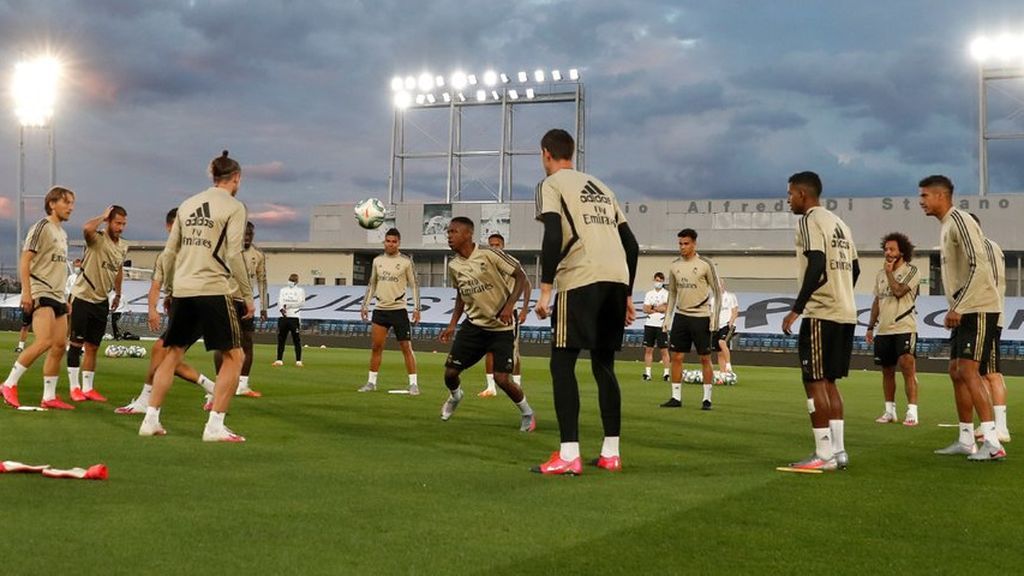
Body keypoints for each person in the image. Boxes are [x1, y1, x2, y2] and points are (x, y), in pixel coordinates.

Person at [531, 128, 639, 475]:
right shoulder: (602, 187)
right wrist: (627, 294)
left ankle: (568, 455)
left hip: (579, 277)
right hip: (616, 278)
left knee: (562, 364)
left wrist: (545, 288)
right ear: (572, 153)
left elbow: (551, 233)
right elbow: (632, 245)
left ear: (546, 153)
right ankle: (611, 452)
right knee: (603, 366)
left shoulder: (551, 185)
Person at [139, 150, 254, 442]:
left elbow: (169, 252)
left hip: (183, 290)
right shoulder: (235, 206)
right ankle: (215, 425)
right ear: (236, 178)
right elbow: (234, 254)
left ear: (213, 176)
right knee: (234, 356)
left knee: (172, 354)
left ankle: (150, 420)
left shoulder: (187, 205)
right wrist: (247, 294)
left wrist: (169, 289)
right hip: (213, 288)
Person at [919, 176, 1005, 460]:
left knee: (970, 371)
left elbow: (979, 266)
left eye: (925, 196)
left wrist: (959, 306)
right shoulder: (946, 226)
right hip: (964, 308)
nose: (921, 201)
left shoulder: (961, 220)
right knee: (956, 371)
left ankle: (992, 443)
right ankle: (966, 438)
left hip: (979, 307)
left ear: (941, 196)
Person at [781, 171, 859, 471]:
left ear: (803, 194)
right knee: (829, 382)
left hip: (821, 313)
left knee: (813, 381)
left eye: (790, 194)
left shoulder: (810, 220)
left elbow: (816, 262)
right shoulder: (840, 224)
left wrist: (797, 308)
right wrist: (841, 294)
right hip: (846, 311)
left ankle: (822, 454)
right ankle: (838, 452)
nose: (788, 200)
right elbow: (855, 269)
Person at [115, 208, 217, 415]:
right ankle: (213, 388)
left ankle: (146, 403)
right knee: (168, 359)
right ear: (169, 227)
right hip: (181, 311)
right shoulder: (164, 257)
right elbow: (155, 286)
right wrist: (152, 309)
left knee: (160, 351)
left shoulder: (197, 253)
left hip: (197, 311)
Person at [438, 217, 535, 431]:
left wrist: (510, 305)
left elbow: (521, 277)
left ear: (467, 234)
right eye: (448, 232)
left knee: (502, 379)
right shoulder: (453, 265)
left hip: (502, 328)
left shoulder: (489, 254)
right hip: (474, 326)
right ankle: (455, 397)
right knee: (450, 373)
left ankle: (528, 413)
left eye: (453, 232)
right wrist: (453, 323)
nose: (449, 236)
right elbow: (461, 295)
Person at [2, 186, 76, 410]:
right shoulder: (41, 227)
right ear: (52, 204)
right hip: (40, 290)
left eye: (72, 203)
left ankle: (49, 396)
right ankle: (8, 384)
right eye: (66, 202)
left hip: (57, 295)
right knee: (44, 341)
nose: (71, 207)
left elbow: (59, 268)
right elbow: (25, 260)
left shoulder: (63, 234)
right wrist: (27, 292)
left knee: (60, 345)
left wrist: (64, 298)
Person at [66, 205, 129, 404]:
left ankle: (88, 388)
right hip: (83, 297)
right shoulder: (97, 239)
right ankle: (74, 388)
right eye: (117, 223)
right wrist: (102, 216)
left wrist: (118, 293)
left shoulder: (123, 246)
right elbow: (86, 229)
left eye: (123, 224)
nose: (120, 227)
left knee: (93, 346)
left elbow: (118, 270)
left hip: (101, 300)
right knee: (76, 344)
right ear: (109, 222)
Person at [662, 229, 721, 410]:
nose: (682, 247)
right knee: (676, 357)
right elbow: (672, 293)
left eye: (686, 243)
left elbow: (717, 292)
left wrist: (715, 319)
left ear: (694, 244)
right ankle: (676, 397)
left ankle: (707, 399)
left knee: (705, 358)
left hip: (701, 316)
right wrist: (668, 317)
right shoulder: (674, 266)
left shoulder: (705, 264)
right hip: (681, 316)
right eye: (680, 243)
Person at [865, 232, 920, 426]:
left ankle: (912, 411)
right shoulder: (880, 275)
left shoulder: (911, 271)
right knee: (887, 371)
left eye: (892, 249)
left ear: (902, 252)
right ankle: (889, 411)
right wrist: (870, 327)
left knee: (907, 367)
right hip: (884, 330)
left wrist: (889, 272)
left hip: (904, 327)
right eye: (885, 249)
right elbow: (877, 301)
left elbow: (898, 292)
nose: (887, 252)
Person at [358, 228, 420, 394]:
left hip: (399, 310)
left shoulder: (406, 261)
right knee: (376, 347)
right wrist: (365, 304)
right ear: (384, 242)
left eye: (394, 241)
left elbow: (414, 285)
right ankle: (371, 382)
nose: (391, 244)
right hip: (380, 310)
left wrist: (416, 308)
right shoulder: (377, 261)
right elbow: (372, 284)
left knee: (406, 347)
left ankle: (413, 384)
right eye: (388, 241)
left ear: (399, 243)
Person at [969, 214, 1011, 443]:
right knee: (981, 373)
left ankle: (1001, 428)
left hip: (988, 315)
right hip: (986, 314)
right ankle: (990, 424)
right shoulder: (989, 246)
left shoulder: (985, 246)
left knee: (992, 373)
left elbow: (991, 281)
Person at [216, 221, 268, 397]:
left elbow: (262, 281)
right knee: (222, 343)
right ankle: (218, 383)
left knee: (247, 342)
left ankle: (242, 385)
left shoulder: (258, 255)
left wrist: (264, 306)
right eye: (244, 235)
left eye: (249, 236)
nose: (246, 239)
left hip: (246, 303)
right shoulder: (225, 251)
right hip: (226, 300)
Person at [479, 232, 531, 397]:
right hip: (490, 312)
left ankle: (517, 385)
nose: (494, 247)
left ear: (503, 245)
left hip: (509, 313)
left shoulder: (512, 263)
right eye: (491, 245)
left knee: (514, 351)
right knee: (489, 349)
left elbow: (527, 285)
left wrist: (524, 309)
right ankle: (490, 387)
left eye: (497, 245)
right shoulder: (484, 264)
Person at [640, 272, 671, 382]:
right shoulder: (649, 294)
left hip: (661, 324)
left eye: (660, 280)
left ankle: (666, 373)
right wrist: (657, 308)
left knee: (664, 350)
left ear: (662, 281)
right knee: (648, 349)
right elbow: (645, 308)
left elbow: (666, 307)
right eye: (656, 280)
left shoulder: (666, 294)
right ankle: (647, 373)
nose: (657, 282)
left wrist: (653, 308)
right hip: (650, 323)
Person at [273, 273, 305, 367]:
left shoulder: (300, 290)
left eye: (293, 280)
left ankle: (298, 360)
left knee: (296, 340)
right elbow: (280, 301)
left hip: (294, 317)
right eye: (290, 280)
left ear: (296, 282)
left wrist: (290, 305)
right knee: (281, 339)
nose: (291, 282)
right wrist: (281, 309)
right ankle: (279, 359)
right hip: (284, 317)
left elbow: (301, 303)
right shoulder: (283, 290)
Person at [711, 280, 739, 378]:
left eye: (720, 285)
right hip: (717, 325)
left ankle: (728, 364)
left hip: (727, 325)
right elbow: (712, 313)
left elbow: (735, 310)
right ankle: (722, 374)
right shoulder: (713, 299)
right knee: (719, 352)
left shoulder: (730, 297)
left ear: (723, 286)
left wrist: (730, 322)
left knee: (722, 342)